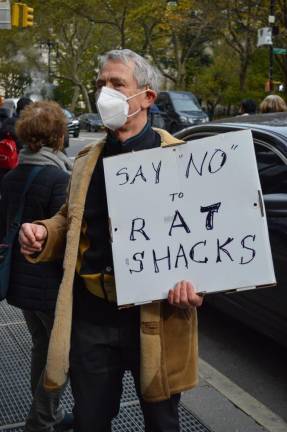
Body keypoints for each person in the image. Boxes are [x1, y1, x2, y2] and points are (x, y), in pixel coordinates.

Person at [19, 49, 203, 432]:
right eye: (101, 83)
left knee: (162, 421)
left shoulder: (182, 161)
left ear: (147, 98)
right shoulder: (86, 160)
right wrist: (43, 233)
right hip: (91, 319)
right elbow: (69, 221)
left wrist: (200, 287)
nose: (106, 93)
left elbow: (207, 242)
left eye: (118, 84)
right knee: (90, 420)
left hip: (155, 319)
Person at [0, 101, 73, 432]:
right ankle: (41, 419)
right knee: (61, 356)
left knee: (42, 348)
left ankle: (48, 416)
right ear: (58, 137)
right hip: (50, 285)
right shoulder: (59, 177)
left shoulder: (13, 175)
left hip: (19, 280)